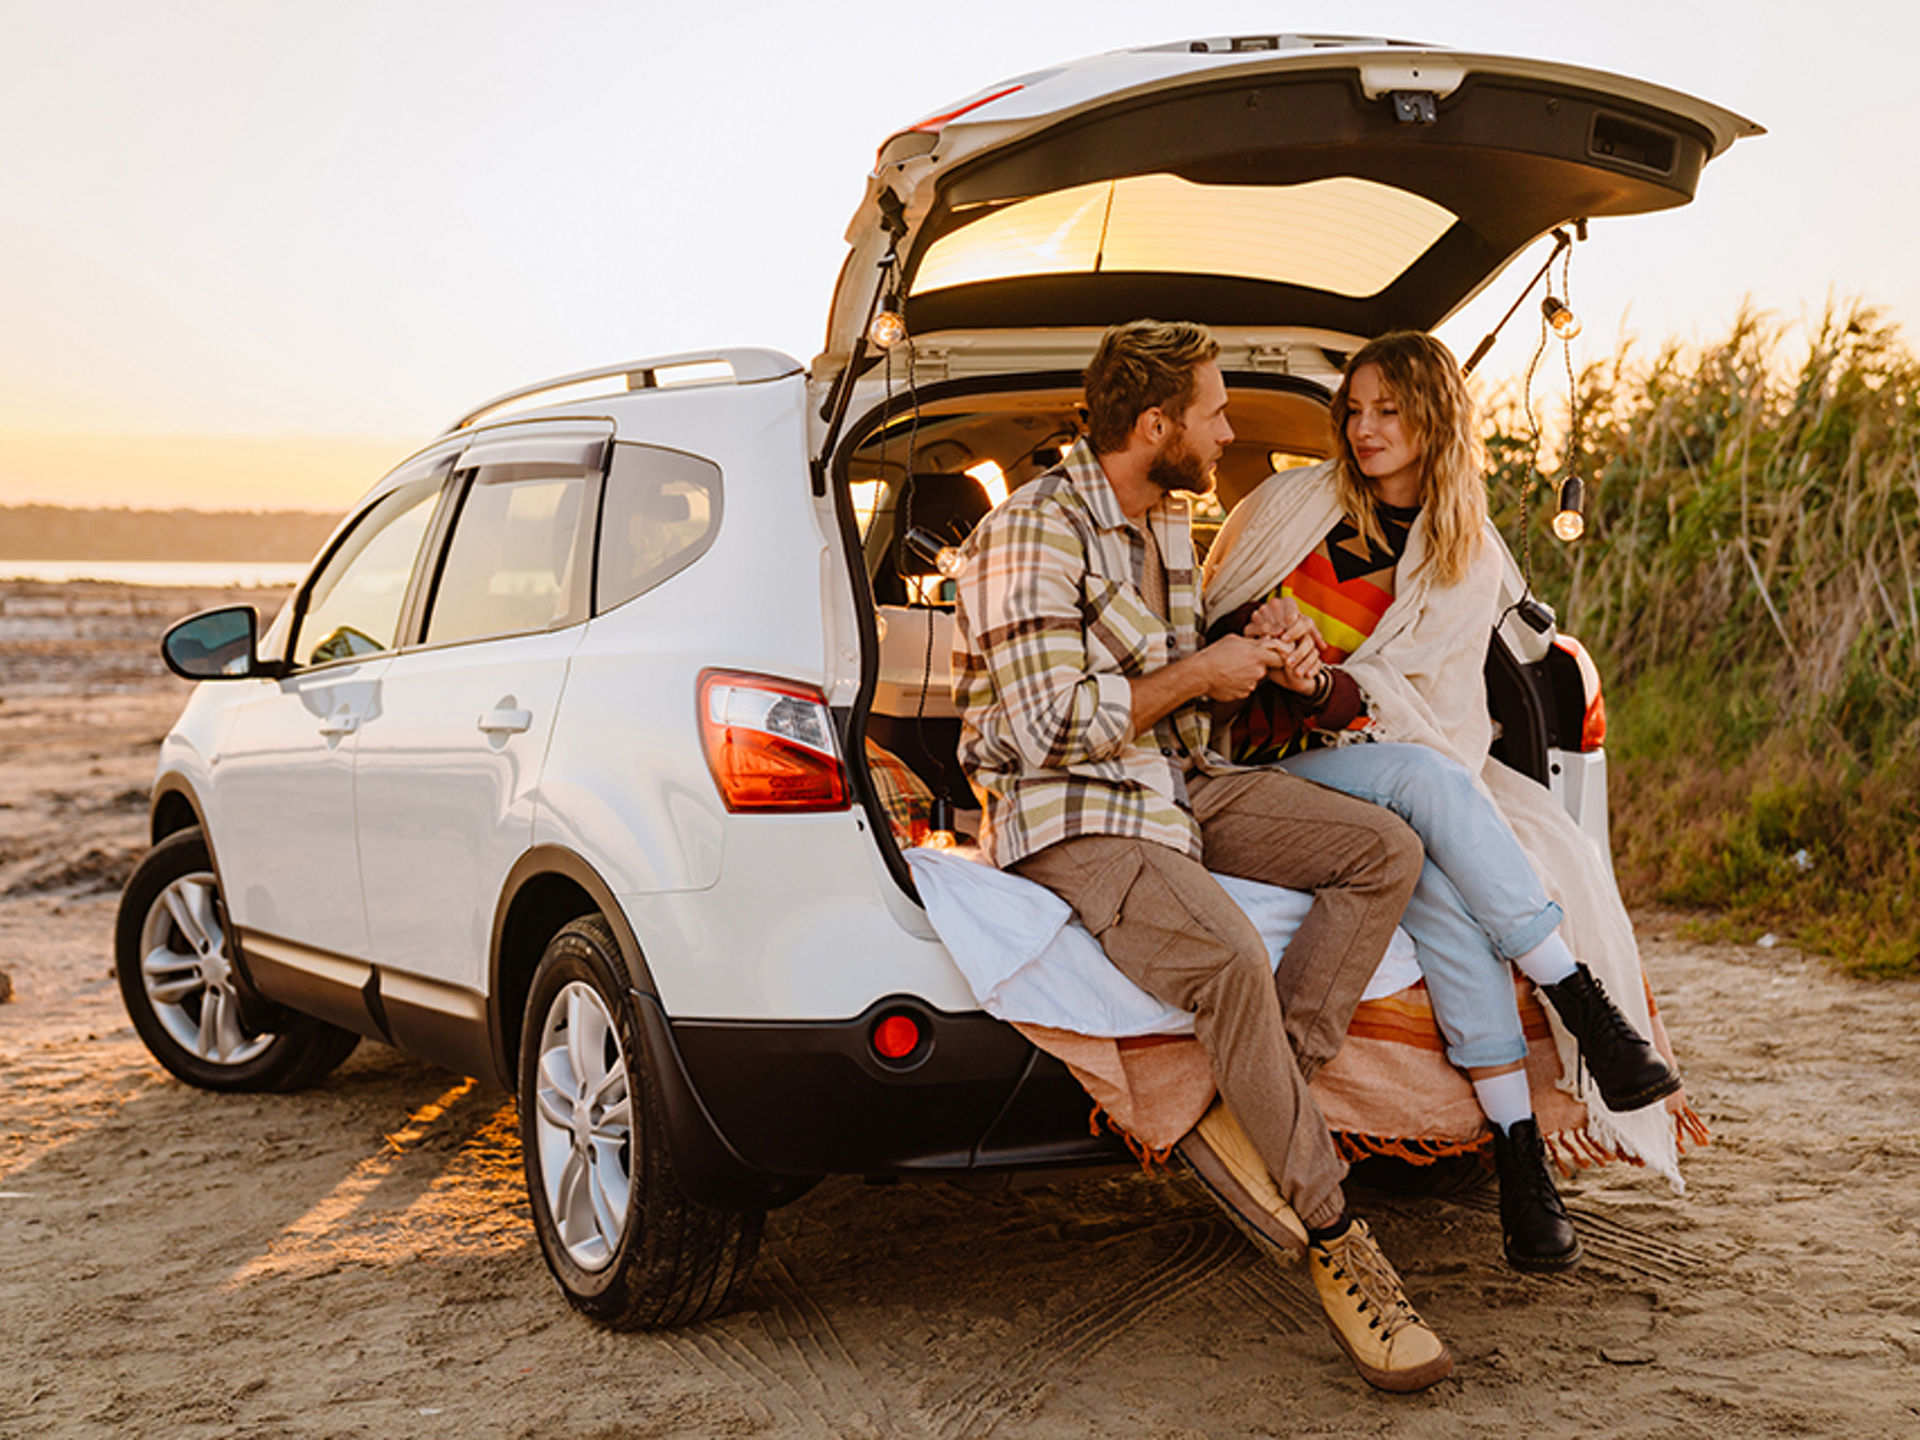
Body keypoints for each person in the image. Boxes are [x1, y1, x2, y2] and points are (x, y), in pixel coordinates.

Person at [952, 319, 1453, 1392]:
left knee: (1384, 850)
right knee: (1228, 953)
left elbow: (1182, 685)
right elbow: (1044, 730)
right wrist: (1202, 674)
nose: (1229, 432)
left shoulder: (1168, 520)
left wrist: (1266, 649)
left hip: (1177, 783)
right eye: (1216, 412)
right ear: (1154, 424)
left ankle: (1258, 1096)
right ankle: (1334, 1235)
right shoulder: (1028, 533)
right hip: (1070, 807)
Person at [1202, 330, 1685, 1271]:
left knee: (1447, 898)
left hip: (1375, 756)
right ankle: (1579, 1001)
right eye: (1355, 409)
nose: (1365, 428)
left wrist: (1323, 685)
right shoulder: (1288, 506)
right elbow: (1206, 621)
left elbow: (1432, 707)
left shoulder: (1466, 554)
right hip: (1265, 769)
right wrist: (1263, 639)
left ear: (1434, 418)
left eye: (1390, 410)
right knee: (1425, 786)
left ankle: (1519, 1167)